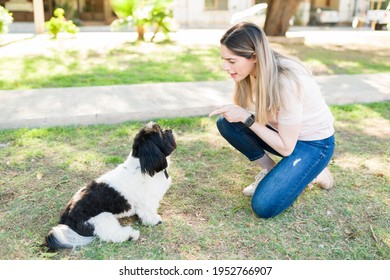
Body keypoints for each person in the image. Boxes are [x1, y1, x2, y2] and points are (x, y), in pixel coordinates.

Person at [209, 22, 335, 219]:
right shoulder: (254, 71)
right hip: (286, 136)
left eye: (232, 61)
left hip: (314, 145)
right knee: (226, 122)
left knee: (263, 206)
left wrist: (246, 118)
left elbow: (286, 148)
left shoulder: (286, 81)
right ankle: (271, 170)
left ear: (254, 57)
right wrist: (241, 116)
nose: (226, 67)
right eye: (224, 60)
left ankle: (316, 170)